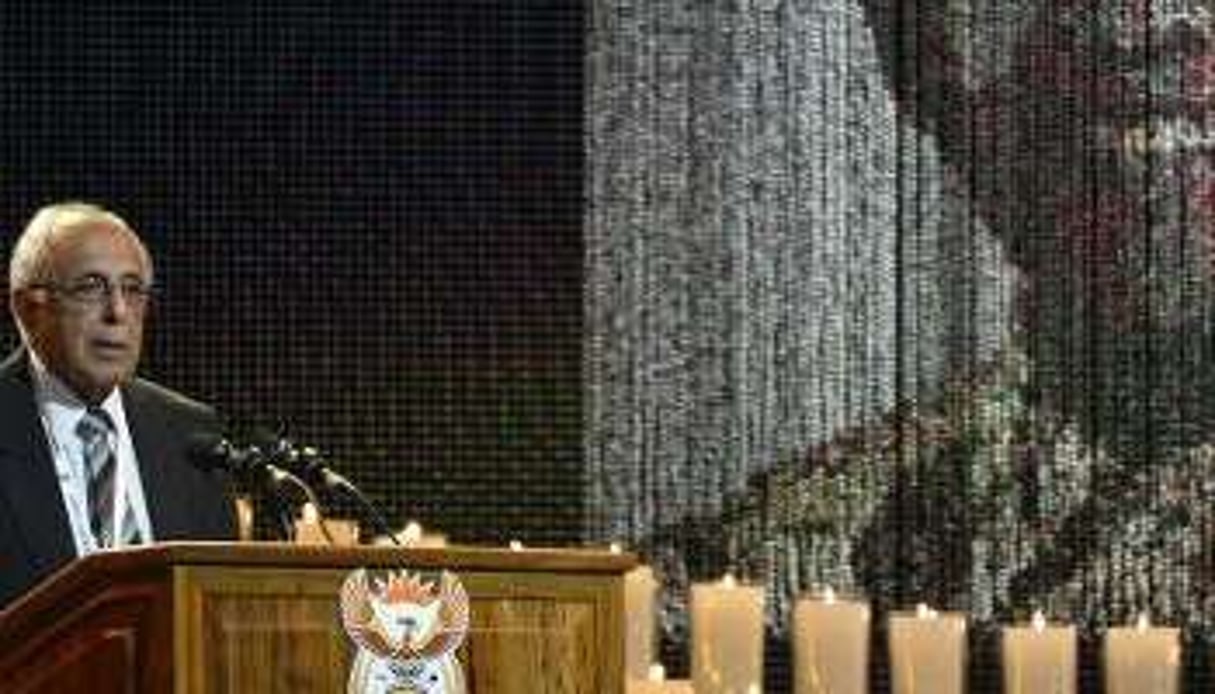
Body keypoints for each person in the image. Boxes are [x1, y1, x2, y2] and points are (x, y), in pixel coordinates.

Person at [0, 202, 234, 608]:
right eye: (91, 287)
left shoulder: (190, 433)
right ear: (28, 309)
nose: (118, 312)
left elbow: (218, 604)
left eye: (132, 289)